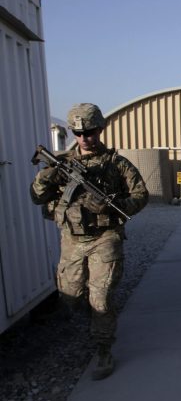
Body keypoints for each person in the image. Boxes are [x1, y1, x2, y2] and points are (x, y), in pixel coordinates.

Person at [30, 103, 148, 380]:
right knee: (70, 295)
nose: (85, 138)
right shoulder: (60, 163)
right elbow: (37, 198)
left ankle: (103, 348)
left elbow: (141, 195)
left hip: (105, 237)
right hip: (72, 239)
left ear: (100, 129)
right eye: (79, 133)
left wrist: (113, 206)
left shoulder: (117, 164)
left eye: (91, 132)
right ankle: (94, 322)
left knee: (102, 297)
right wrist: (46, 178)